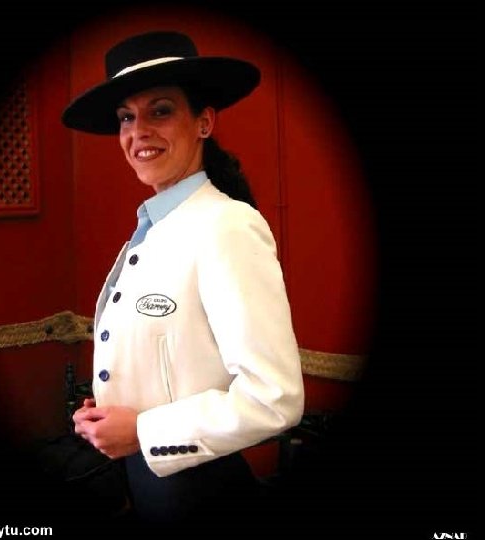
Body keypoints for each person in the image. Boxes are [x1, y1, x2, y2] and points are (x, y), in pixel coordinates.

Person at [62, 31, 304, 526]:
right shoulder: (152, 229)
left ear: (204, 122)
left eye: (160, 110)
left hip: (202, 496)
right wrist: (112, 409)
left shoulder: (227, 225)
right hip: (144, 484)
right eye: (126, 117)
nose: (138, 132)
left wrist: (142, 431)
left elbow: (275, 397)